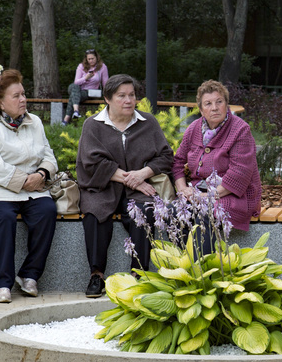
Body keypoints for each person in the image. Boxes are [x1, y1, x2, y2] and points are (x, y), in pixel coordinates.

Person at [76, 74, 174, 298]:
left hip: (137, 189)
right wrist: (132, 179)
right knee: (94, 214)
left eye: (132, 95)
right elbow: (90, 162)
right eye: (122, 96)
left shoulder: (147, 123)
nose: (129, 100)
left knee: (143, 212)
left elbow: (166, 156)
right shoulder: (93, 125)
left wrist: (143, 174)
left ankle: (139, 274)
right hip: (102, 186)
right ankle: (96, 275)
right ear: (108, 99)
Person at [0, 69, 58, 304]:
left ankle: (30, 275)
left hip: (31, 187)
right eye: (16, 96)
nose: (23, 99)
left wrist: (41, 173)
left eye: (24, 94)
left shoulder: (34, 122)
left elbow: (49, 156)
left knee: (47, 211)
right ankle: (2, 284)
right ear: (0, 102)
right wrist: (23, 181)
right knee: (4, 217)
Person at [172, 79, 262, 254]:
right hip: (199, 193)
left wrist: (207, 197)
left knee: (204, 214)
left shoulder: (240, 130)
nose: (214, 108)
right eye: (208, 103)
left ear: (226, 105)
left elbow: (239, 173)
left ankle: (203, 272)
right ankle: (183, 265)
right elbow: (177, 162)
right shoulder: (193, 129)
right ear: (201, 109)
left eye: (219, 102)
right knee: (172, 212)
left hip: (234, 196)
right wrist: (183, 189)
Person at [63, 49, 108, 125]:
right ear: (86, 59)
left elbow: (105, 83)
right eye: (89, 59)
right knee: (74, 87)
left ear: (97, 58)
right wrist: (86, 78)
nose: (91, 61)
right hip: (78, 88)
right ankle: (75, 111)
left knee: (73, 97)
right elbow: (76, 82)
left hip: (89, 92)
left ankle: (67, 119)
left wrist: (107, 96)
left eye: (92, 58)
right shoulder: (81, 66)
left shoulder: (102, 67)